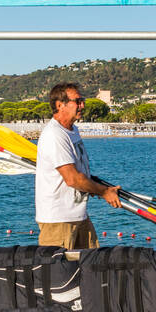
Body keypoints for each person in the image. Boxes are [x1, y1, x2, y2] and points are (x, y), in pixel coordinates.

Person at [35, 82, 121, 249]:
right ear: (60, 105)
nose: (82, 105)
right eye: (78, 101)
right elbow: (73, 179)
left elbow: (80, 172)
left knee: (92, 265)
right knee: (58, 272)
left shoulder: (72, 131)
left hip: (78, 215)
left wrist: (94, 186)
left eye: (83, 100)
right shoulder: (54, 134)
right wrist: (104, 192)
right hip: (58, 220)